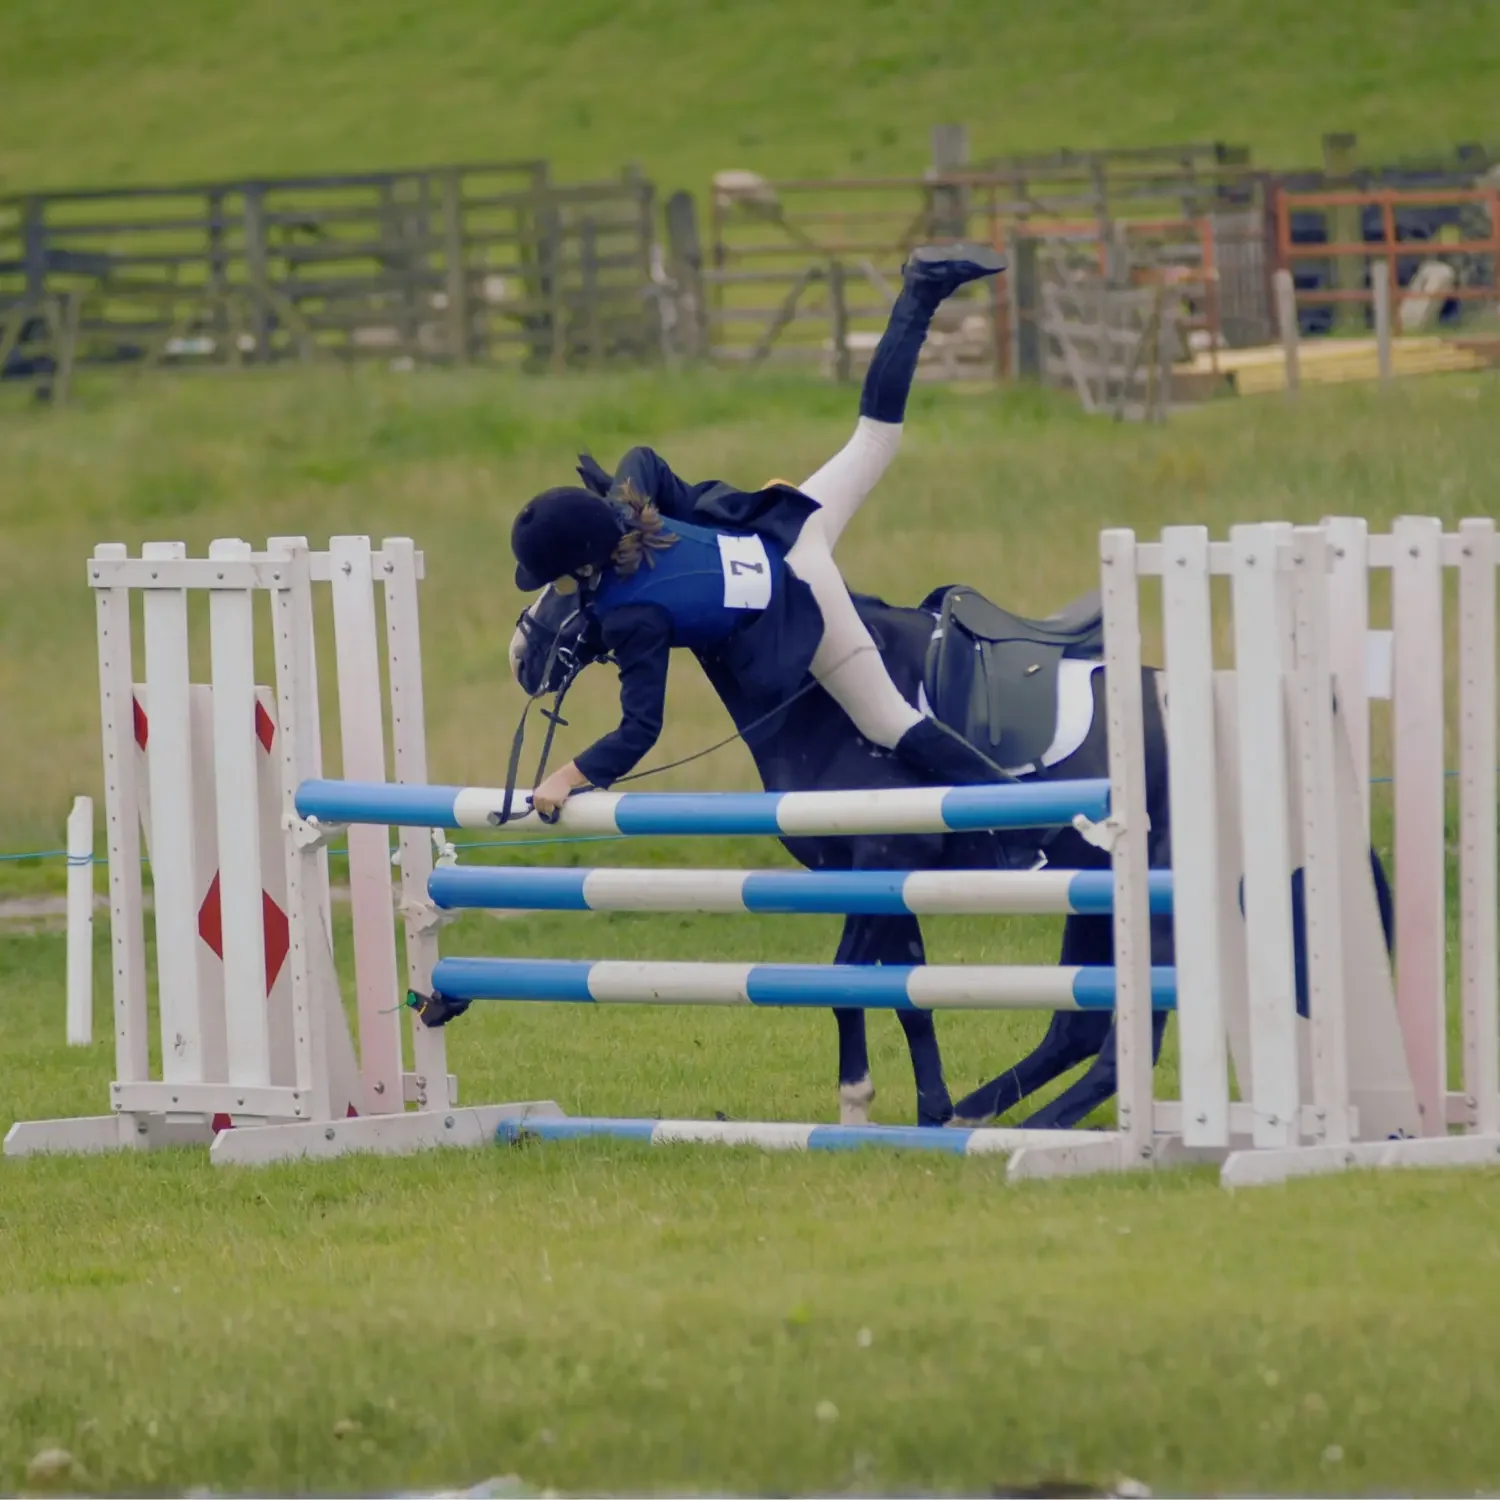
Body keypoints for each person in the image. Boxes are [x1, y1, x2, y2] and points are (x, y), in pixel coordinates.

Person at [511, 243, 1010, 817]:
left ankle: (1034, 821)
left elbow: (640, 730)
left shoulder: (632, 617)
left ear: (583, 565)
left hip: (802, 589)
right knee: (874, 437)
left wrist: (568, 776)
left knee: (888, 720)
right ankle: (921, 289)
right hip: (787, 526)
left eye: (563, 582)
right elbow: (641, 455)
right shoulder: (633, 501)